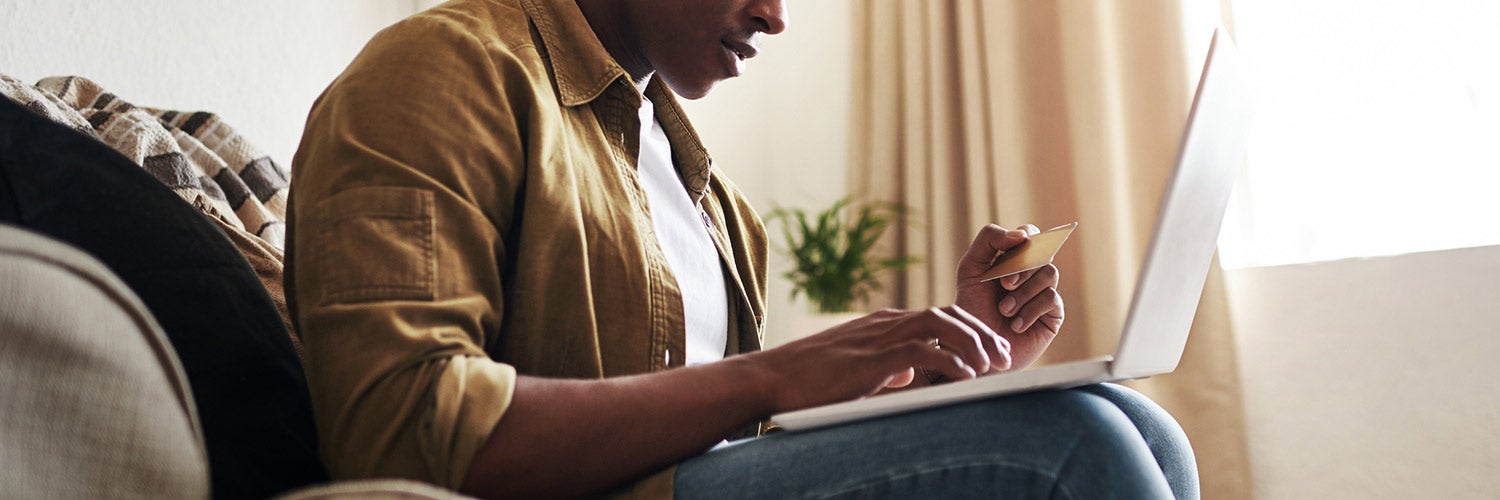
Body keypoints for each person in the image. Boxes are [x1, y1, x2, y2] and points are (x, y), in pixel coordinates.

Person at [286, 0, 1199, 498]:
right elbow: (402, 429)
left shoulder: (709, 193)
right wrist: (772, 375)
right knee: (1068, 444)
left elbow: (735, 439)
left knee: (1135, 423)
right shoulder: (444, 69)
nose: (777, 15)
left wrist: (954, 365)